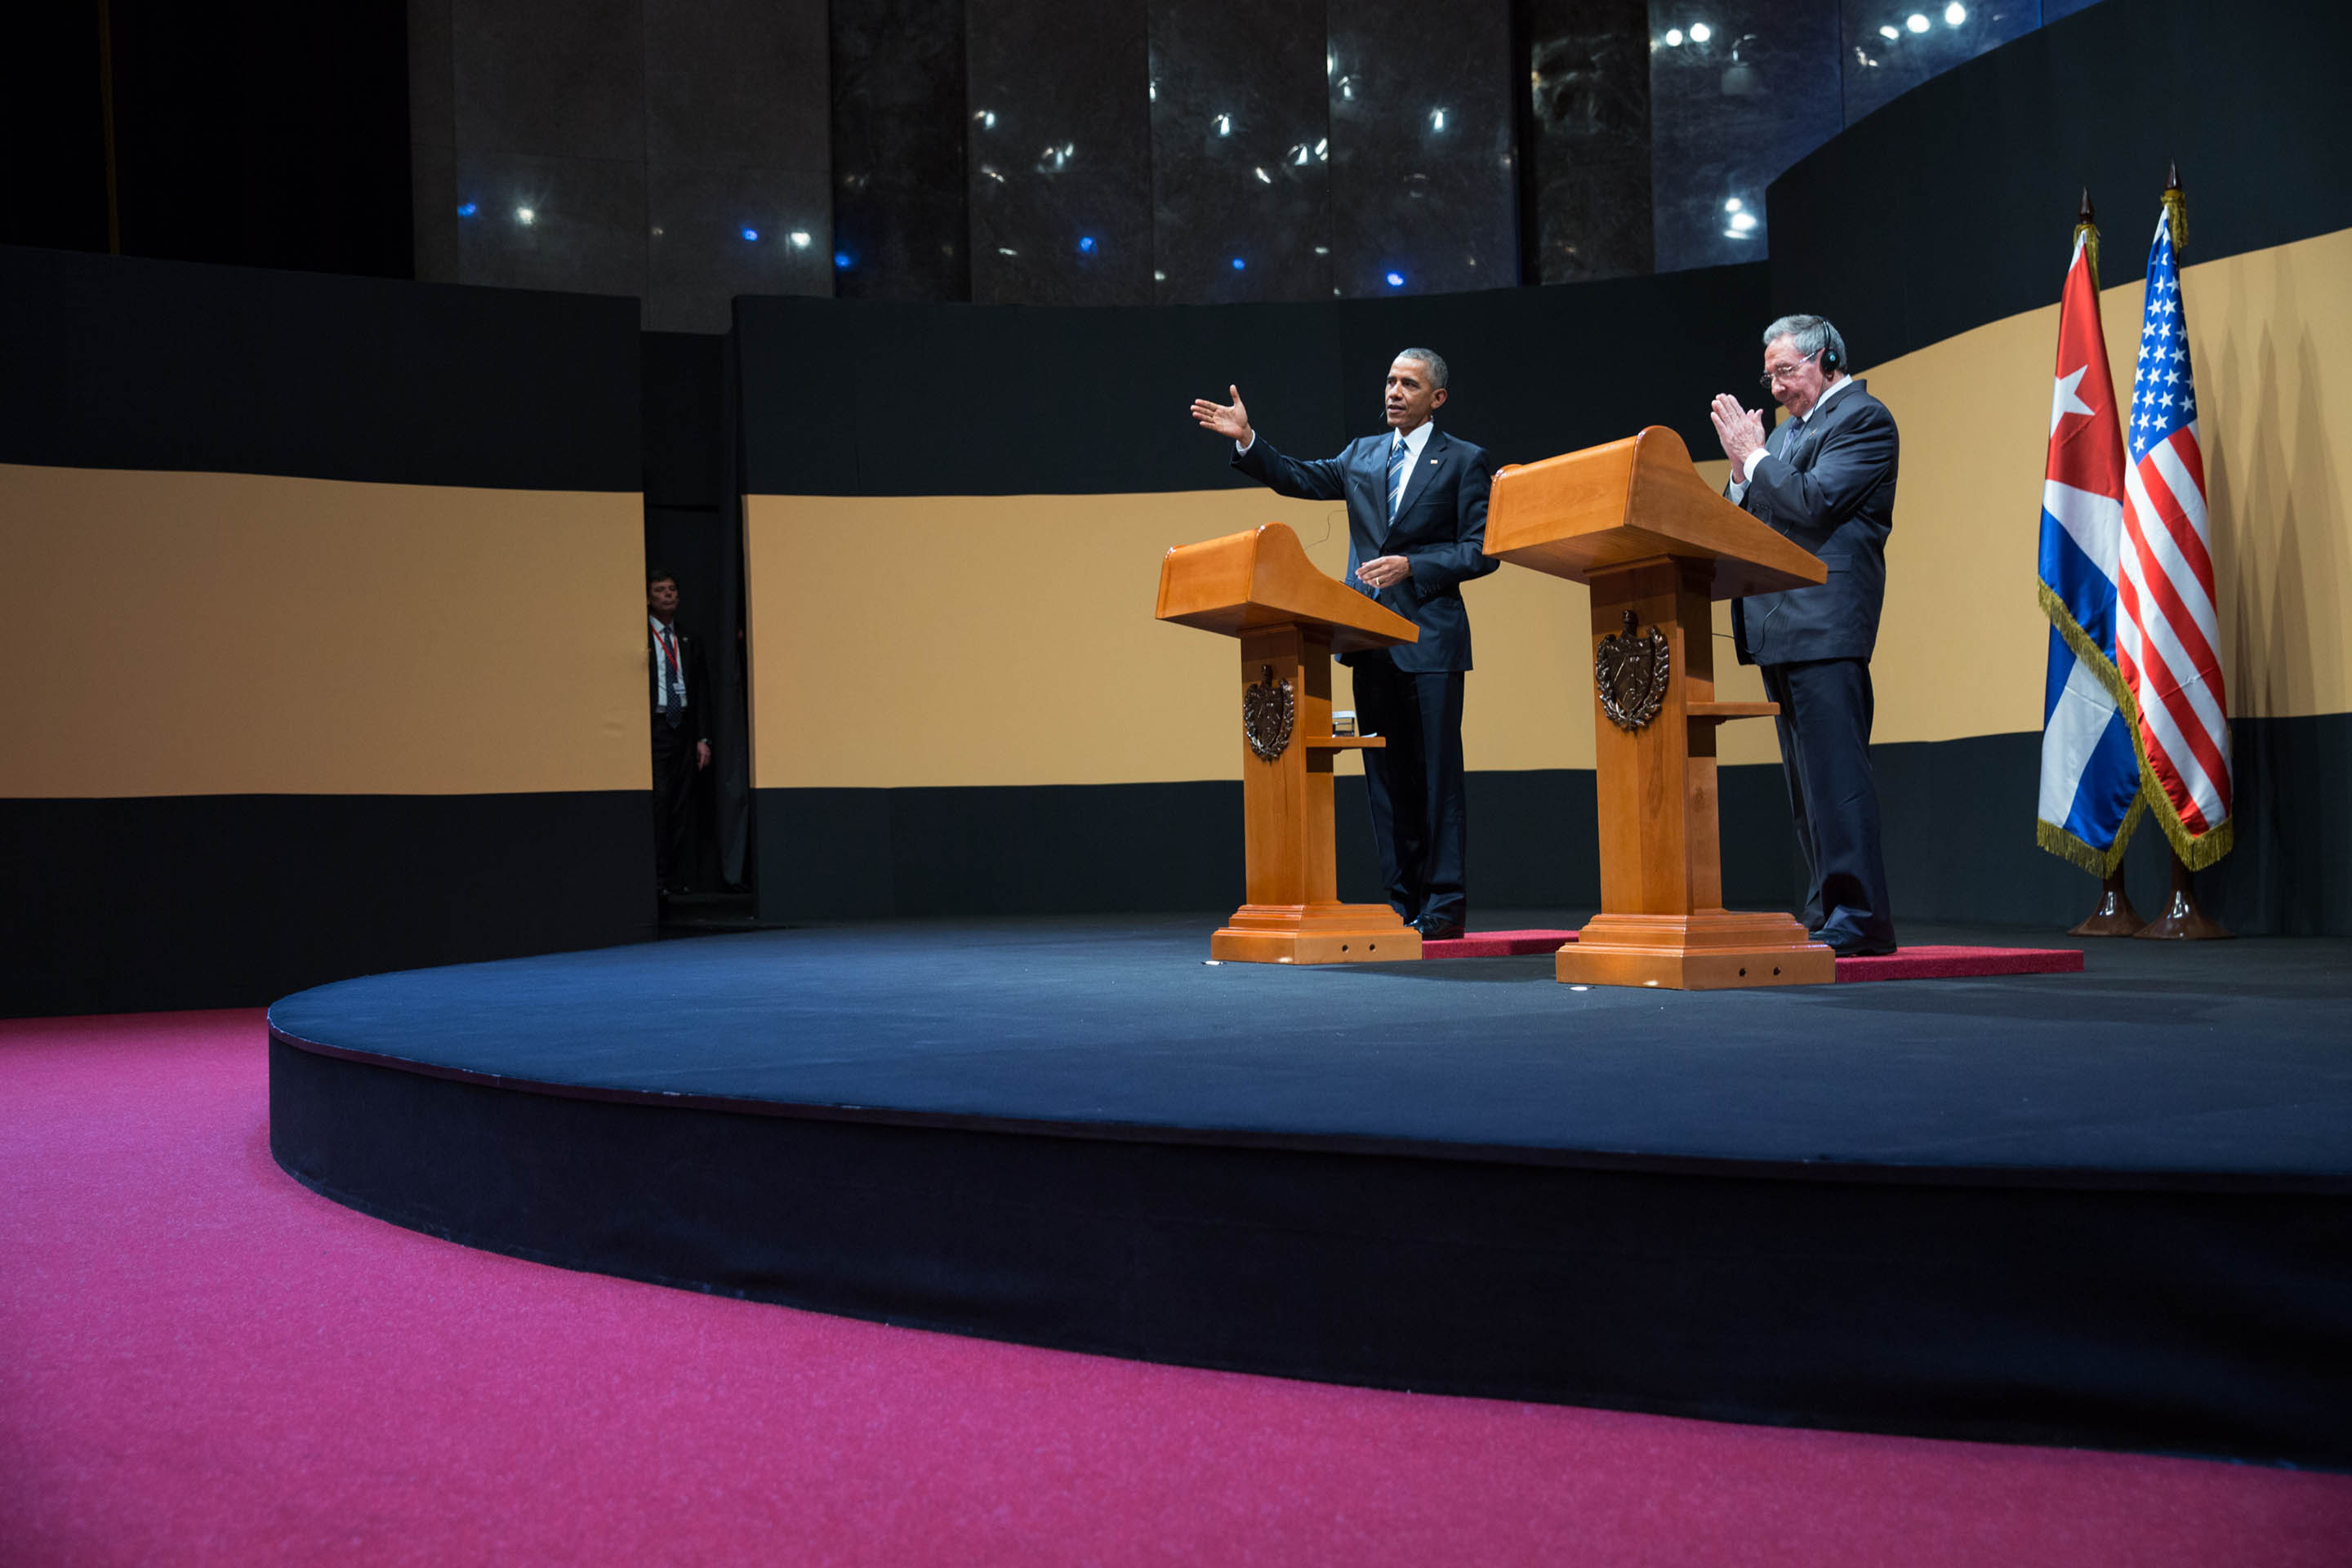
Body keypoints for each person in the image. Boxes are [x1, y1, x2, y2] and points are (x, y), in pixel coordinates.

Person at [1190, 350, 1499, 941]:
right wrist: (1249, 440)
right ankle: (1403, 901)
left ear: (1437, 397)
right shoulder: (1362, 454)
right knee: (1385, 780)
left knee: (1436, 779)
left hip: (1431, 643)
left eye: (1409, 384)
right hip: (1368, 639)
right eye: (1389, 380)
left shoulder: (1464, 461)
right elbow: (1299, 477)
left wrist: (1415, 566)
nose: (1394, 392)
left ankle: (1443, 906)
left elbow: (1482, 550)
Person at [1708, 314, 1899, 956]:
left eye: (1786, 371)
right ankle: (1828, 908)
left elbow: (1814, 503)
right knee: (1805, 787)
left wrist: (1756, 454)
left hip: (1824, 620)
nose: (1777, 387)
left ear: (1827, 360)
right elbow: (1752, 515)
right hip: (1779, 623)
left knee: (1837, 778)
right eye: (1769, 375)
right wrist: (1741, 469)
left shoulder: (1864, 420)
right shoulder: (1789, 436)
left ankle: (1862, 917)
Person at [646, 568, 711, 896]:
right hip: (656, 727)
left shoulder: (688, 639)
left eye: (672, 589)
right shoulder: (643, 637)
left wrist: (702, 738)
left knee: (682, 805)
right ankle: (656, 878)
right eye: (660, 590)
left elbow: (701, 692)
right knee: (660, 800)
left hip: (684, 728)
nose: (668, 594)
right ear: (648, 598)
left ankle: (678, 876)